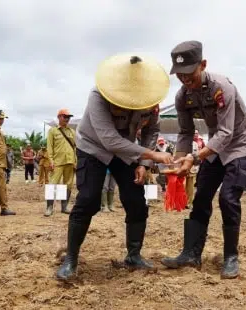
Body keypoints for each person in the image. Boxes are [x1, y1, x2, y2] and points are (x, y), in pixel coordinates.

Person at [56, 53, 174, 281]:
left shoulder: (150, 100)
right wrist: (151, 154)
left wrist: (144, 163)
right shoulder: (98, 95)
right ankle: (70, 259)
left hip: (127, 152)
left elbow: (151, 131)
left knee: (137, 201)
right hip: (93, 148)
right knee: (88, 200)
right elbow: (109, 139)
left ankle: (133, 255)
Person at [161, 41, 246, 279]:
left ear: (203, 65)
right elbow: (184, 133)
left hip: (238, 147)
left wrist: (194, 158)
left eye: (189, 73)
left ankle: (230, 257)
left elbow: (227, 133)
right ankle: (191, 253)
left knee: (228, 199)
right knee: (201, 197)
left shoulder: (221, 87)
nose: (185, 79)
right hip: (215, 149)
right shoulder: (182, 96)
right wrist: (178, 162)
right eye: (179, 74)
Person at [45, 109, 77, 216]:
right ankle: (49, 207)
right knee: (52, 184)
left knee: (67, 184)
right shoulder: (53, 131)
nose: (67, 119)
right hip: (57, 162)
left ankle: (64, 207)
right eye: (65, 116)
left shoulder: (72, 132)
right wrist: (51, 160)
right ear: (59, 117)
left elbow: (75, 148)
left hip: (70, 161)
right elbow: (49, 147)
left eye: (68, 117)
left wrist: (76, 160)